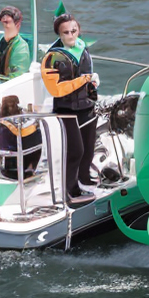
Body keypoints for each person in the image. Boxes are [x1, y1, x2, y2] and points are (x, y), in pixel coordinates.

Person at [40, 13, 99, 205]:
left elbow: (86, 73)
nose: (71, 36)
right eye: (66, 33)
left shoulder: (82, 47)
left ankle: (84, 177)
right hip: (67, 109)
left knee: (89, 146)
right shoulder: (52, 57)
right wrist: (84, 80)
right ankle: (70, 191)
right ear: (59, 34)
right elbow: (56, 89)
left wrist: (92, 83)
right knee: (76, 151)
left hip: (87, 104)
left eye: (74, 31)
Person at [0, 95, 42, 179]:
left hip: (15, 163)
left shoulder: (1, 123)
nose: (15, 107)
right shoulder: (5, 124)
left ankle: (30, 168)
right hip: (14, 165)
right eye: (12, 105)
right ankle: (30, 168)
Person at [0, 6, 31, 80]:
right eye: (3, 22)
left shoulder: (21, 47)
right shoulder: (1, 41)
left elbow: (18, 77)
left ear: (17, 24)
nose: (4, 26)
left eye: (7, 22)